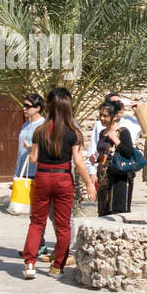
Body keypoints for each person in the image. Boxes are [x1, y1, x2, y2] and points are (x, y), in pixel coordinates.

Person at [23, 87, 97, 279]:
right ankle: (57, 267)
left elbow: (33, 159)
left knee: (37, 222)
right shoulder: (73, 132)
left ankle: (30, 263)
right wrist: (89, 183)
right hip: (63, 177)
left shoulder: (39, 130)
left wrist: (31, 150)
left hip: (42, 176)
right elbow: (78, 161)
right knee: (63, 225)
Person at [15, 93, 50, 261]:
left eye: (28, 106)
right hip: (24, 171)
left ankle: (38, 245)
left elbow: (46, 150)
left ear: (38, 108)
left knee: (38, 212)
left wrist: (31, 150)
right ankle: (37, 243)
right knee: (32, 212)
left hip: (37, 172)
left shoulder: (43, 126)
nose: (24, 108)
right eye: (24, 105)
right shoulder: (25, 125)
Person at [95, 100, 136, 216]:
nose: (102, 118)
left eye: (105, 116)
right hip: (104, 178)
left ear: (114, 117)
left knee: (117, 212)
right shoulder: (103, 132)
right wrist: (97, 158)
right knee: (103, 211)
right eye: (100, 115)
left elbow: (128, 153)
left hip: (119, 178)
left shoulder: (123, 132)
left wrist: (116, 140)